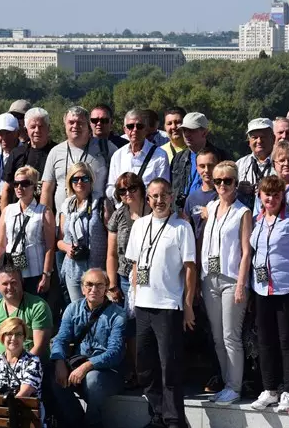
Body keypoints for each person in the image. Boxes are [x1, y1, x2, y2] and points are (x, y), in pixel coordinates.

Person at [125, 178, 196, 428]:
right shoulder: (140, 225)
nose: (159, 200)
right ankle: (157, 414)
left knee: (170, 366)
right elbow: (135, 264)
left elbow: (189, 269)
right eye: (154, 196)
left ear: (171, 195)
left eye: (163, 195)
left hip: (168, 306)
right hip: (143, 304)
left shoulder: (181, 227)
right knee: (144, 365)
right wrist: (133, 297)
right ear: (148, 199)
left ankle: (174, 419)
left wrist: (187, 305)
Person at [249, 175, 289, 412]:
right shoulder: (257, 221)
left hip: (287, 287)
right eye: (267, 194)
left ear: (282, 196)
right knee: (265, 340)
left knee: (287, 341)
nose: (271, 199)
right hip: (261, 288)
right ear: (260, 196)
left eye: (276, 194)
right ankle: (269, 389)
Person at [200, 161, 252, 405]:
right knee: (218, 337)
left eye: (227, 181)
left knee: (231, 335)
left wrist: (242, 283)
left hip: (232, 279)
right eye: (218, 181)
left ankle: (235, 386)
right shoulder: (209, 207)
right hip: (209, 278)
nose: (222, 185)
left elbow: (246, 251)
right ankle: (226, 383)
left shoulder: (243, 212)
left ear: (235, 183)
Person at [51, 269, 127, 428]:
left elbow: (115, 353)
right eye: (89, 285)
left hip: (107, 372)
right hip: (77, 367)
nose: (94, 289)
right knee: (51, 375)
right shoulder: (72, 309)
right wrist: (59, 362)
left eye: (99, 285)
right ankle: (75, 420)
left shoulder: (118, 315)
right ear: (83, 288)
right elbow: (60, 339)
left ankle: (93, 423)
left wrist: (88, 365)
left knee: (92, 379)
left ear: (106, 288)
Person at [105, 172, 149, 382]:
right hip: (124, 278)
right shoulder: (118, 215)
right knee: (128, 328)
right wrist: (112, 284)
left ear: (141, 188)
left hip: (151, 277)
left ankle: (151, 370)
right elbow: (111, 253)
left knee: (148, 325)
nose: (128, 193)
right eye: (122, 190)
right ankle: (135, 370)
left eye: (132, 188)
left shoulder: (152, 210)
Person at [0, 166, 56, 298]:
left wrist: (46, 274)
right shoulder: (7, 211)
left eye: (25, 184)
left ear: (34, 186)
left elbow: (50, 246)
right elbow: (1, 244)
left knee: (32, 314)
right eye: (16, 184)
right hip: (10, 272)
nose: (19, 188)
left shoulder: (44, 212)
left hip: (35, 274)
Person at [42, 106, 113, 215]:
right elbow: (47, 190)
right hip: (62, 223)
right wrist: (46, 221)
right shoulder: (55, 152)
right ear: (65, 125)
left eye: (80, 123)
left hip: (96, 222)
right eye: (71, 122)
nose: (75, 126)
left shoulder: (106, 148)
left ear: (88, 125)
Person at [59, 163, 110, 302]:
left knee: (97, 314)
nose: (80, 182)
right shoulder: (67, 205)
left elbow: (112, 237)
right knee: (79, 313)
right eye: (75, 179)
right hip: (73, 270)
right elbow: (59, 240)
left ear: (91, 180)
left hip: (97, 272)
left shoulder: (101, 203)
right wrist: (68, 248)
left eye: (84, 178)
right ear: (70, 182)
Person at [170, 111, 230, 211]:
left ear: (205, 132)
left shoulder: (221, 156)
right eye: (184, 130)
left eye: (192, 130)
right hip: (181, 214)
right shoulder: (178, 158)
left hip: (210, 212)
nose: (187, 134)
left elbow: (229, 188)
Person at [106, 109, 170, 201]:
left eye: (139, 126)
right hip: (123, 210)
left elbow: (163, 188)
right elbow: (110, 187)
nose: (135, 130)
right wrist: (123, 198)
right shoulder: (117, 155)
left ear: (146, 129)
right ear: (125, 129)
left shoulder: (160, 156)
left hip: (148, 211)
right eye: (130, 126)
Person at [1, 107, 58, 209]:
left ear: (48, 128)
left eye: (41, 126)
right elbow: (6, 189)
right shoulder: (17, 153)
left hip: (48, 213)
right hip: (19, 214)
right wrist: (4, 218)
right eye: (33, 127)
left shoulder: (57, 152)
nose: (37, 130)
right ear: (26, 130)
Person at [0, 317, 43, 400]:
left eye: (18, 334)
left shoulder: (32, 361)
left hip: (26, 410)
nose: (14, 338)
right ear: (2, 337)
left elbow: (25, 392)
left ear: (24, 337)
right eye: (9, 334)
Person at [235, 118, 275, 208]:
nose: (259, 141)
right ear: (249, 141)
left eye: (263, 136)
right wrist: (238, 190)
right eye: (254, 137)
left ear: (273, 138)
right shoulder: (240, 164)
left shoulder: (281, 162)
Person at [182, 147, 220, 243]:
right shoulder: (191, 199)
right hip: (198, 253)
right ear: (197, 168)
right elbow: (187, 232)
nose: (207, 170)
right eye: (202, 166)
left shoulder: (226, 195)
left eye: (210, 165)